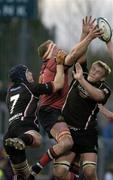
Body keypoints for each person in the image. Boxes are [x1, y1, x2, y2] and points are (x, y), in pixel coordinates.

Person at [31, 17, 103, 179]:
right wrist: (89, 36)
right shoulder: (53, 62)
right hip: (52, 112)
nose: (58, 49)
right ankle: (35, 169)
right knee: (67, 145)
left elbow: (76, 56)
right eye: (55, 48)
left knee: (69, 168)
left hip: (61, 115)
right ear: (48, 54)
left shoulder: (49, 65)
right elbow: (74, 55)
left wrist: (84, 34)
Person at [3, 50, 65, 180]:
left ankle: (19, 140)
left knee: (23, 175)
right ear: (22, 76)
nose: (31, 73)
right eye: (27, 72)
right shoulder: (31, 87)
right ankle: (22, 140)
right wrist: (59, 64)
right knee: (37, 140)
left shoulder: (10, 92)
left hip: (9, 133)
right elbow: (58, 84)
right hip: (24, 127)